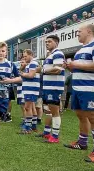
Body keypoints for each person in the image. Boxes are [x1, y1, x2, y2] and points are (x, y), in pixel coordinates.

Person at [64, 24, 94, 163]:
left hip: (89, 89)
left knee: (92, 117)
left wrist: (75, 65)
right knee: (80, 115)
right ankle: (82, 143)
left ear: (89, 31)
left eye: (79, 31)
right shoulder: (81, 50)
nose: (77, 34)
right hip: (77, 89)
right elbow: (81, 68)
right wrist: (71, 68)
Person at [3, 49, 40, 134]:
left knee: (27, 107)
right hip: (30, 89)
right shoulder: (30, 64)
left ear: (31, 55)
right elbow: (27, 76)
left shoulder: (33, 63)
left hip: (31, 89)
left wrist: (21, 74)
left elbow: (30, 75)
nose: (24, 58)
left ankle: (27, 127)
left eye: (25, 56)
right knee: (30, 107)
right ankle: (33, 126)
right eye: (23, 56)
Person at [39, 35, 65, 143]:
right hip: (48, 86)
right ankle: (46, 132)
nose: (46, 44)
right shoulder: (51, 55)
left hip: (54, 87)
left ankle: (54, 136)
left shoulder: (58, 53)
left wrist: (42, 70)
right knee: (48, 110)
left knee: (55, 112)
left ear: (56, 42)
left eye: (49, 41)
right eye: (46, 42)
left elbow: (58, 70)